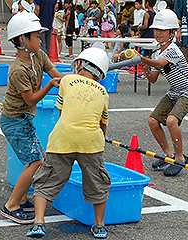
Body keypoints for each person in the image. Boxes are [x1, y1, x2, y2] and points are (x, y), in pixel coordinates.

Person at [27, 44, 111, 239]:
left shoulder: (67, 80)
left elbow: (63, 113)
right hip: (91, 142)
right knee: (97, 181)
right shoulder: (104, 93)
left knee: (47, 178)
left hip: (63, 138)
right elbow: (102, 126)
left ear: (80, 63)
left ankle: (38, 222)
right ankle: (99, 225)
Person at [0, 11, 63, 224]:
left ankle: (21, 198)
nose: (40, 40)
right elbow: (30, 100)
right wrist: (48, 86)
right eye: (36, 36)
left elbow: (57, 75)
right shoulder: (18, 70)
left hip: (23, 119)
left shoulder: (39, 57)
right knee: (35, 161)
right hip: (14, 120)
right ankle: (11, 205)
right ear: (22, 40)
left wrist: (80, 77)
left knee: (36, 159)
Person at [139, 9, 188, 177]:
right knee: (152, 121)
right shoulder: (158, 52)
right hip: (174, 92)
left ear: (172, 33)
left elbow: (158, 64)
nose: (158, 33)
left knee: (172, 121)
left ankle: (180, 158)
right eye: (156, 29)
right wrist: (145, 68)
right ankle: (168, 155)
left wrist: (142, 59)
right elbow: (153, 78)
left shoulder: (172, 49)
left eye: (162, 30)